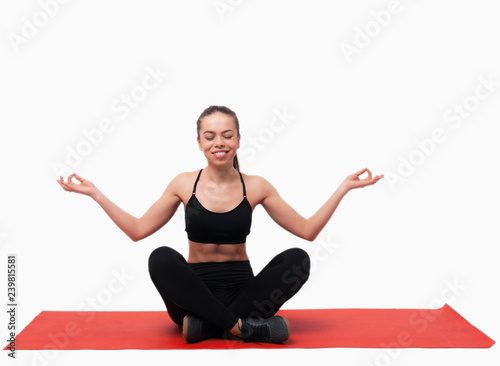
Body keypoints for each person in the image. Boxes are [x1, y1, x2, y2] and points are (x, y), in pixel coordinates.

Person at [57, 105, 384, 344]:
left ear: (239, 140)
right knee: (160, 256)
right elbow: (138, 230)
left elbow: (308, 230)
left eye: (227, 135)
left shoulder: (256, 186)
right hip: (192, 297)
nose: (219, 142)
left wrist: (343, 189)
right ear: (199, 142)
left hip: (243, 291)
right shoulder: (184, 183)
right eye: (210, 136)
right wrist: (95, 194)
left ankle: (209, 326)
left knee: (298, 258)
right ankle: (242, 328)